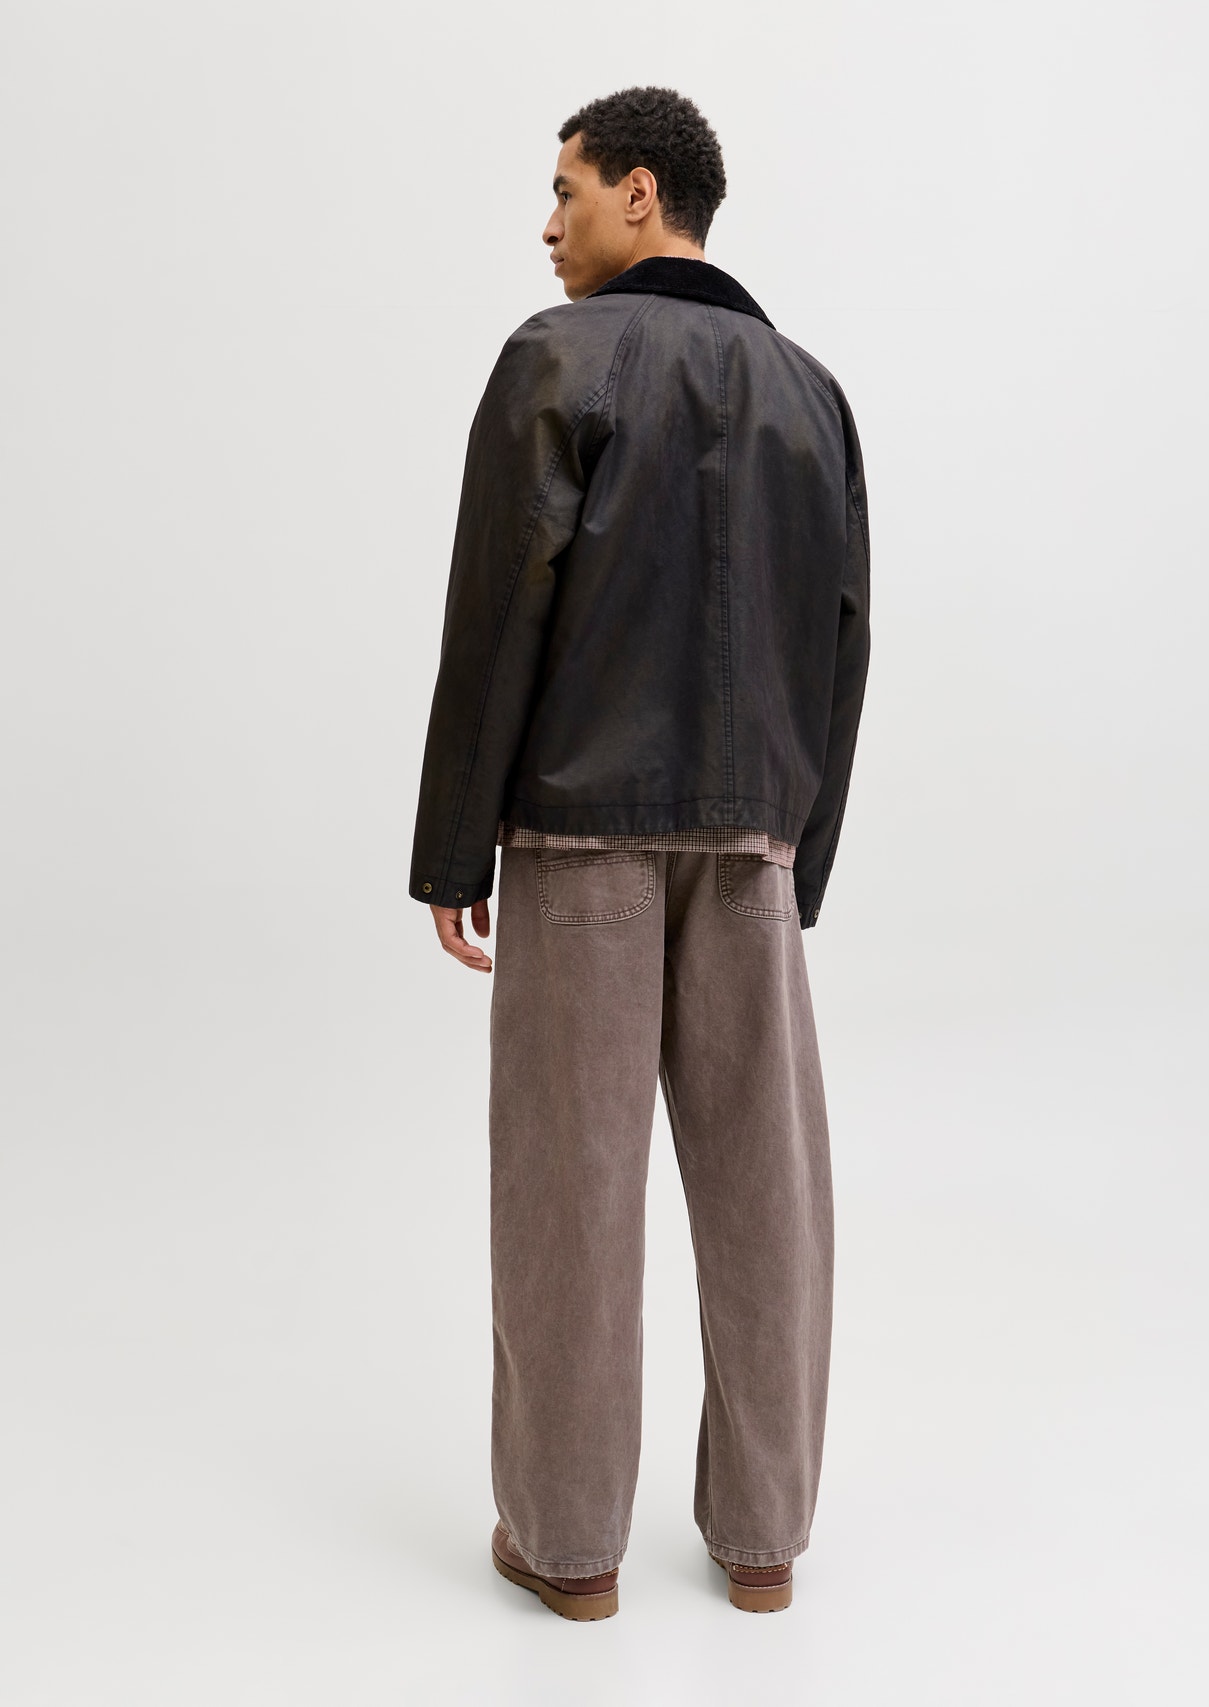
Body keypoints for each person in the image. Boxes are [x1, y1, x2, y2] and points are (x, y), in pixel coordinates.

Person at [407, 85, 871, 1619]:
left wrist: (453, 850)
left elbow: (498, 616)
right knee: (766, 1193)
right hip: (751, 844)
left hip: (577, 840)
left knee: (570, 1187)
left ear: (641, 193)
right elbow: (843, 643)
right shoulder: (812, 392)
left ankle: (570, 1548)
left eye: (567, 189)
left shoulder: (558, 357)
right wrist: (799, 859)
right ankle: (763, 1542)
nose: (547, 224)